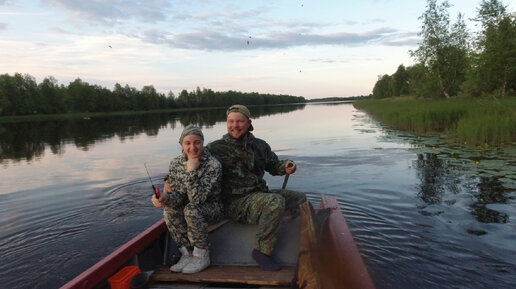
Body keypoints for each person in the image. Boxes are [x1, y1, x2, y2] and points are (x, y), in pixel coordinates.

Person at [207, 104, 307, 271]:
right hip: (234, 203)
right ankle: (262, 252)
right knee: (275, 202)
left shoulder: (260, 145)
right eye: (231, 121)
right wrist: (169, 180)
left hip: (259, 195)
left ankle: (296, 238)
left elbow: (274, 166)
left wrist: (287, 166)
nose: (235, 125)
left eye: (239, 121)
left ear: (249, 122)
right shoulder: (214, 148)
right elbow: (190, 160)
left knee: (300, 198)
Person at [152, 124, 224, 274]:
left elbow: (197, 200)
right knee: (169, 210)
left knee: (191, 209)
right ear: (181, 145)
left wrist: (191, 171)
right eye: (188, 143)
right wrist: (165, 198)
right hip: (188, 206)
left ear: (203, 143)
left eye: (197, 142)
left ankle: (201, 255)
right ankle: (187, 254)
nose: (193, 147)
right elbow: (179, 197)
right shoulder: (175, 164)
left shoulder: (213, 165)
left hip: (213, 207)